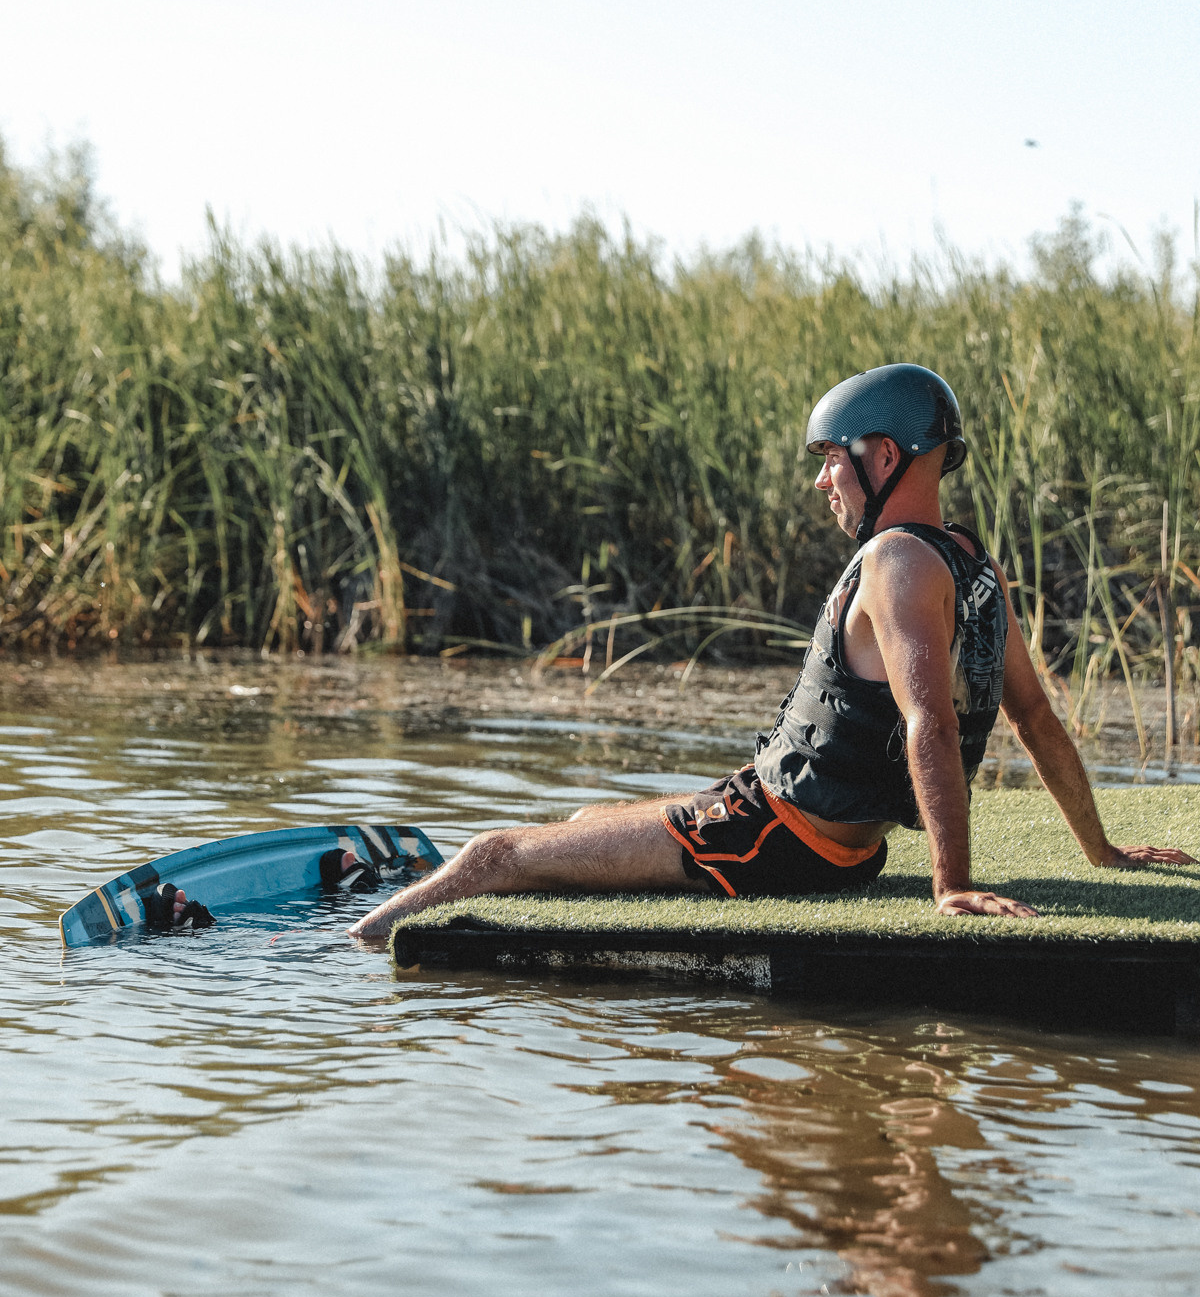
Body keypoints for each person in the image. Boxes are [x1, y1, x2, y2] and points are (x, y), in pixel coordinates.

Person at [347, 364, 1193, 945]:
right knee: (580, 825)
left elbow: (928, 722)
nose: (824, 481)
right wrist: (1100, 851)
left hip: (770, 837)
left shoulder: (897, 561)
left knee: (497, 856)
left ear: (884, 456)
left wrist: (951, 885)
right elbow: (1037, 719)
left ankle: (351, 955)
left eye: (832, 460)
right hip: (820, 839)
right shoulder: (973, 564)